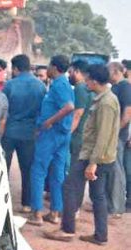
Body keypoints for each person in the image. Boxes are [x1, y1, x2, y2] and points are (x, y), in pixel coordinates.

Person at [44, 64, 120, 245]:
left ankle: (67, 230)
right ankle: (100, 235)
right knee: (97, 195)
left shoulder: (107, 103)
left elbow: (103, 136)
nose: (85, 82)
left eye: (87, 79)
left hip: (94, 157)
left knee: (69, 186)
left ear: (94, 81)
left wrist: (93, 163)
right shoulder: (103, 98)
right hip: (98, 156)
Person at [28, 55, 75, 225]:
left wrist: (49, 121)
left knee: (38, 171)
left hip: (51, 134)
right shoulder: (63, 84)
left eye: (48, 66)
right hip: (62, 135)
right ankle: (55, 212)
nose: (47, 69)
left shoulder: (60, 85)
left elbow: (69, 107)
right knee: (57, 174)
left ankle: (37, 213)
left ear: (54, 67)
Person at [1, 54, 47, 213]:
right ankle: (27, 204)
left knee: (3, 167)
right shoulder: (41, 86)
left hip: (10, 132)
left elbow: (3, 111)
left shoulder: (9, 85)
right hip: (30, 133)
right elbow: (43, 111)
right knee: (27, 169)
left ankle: (2, 202)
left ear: (15, 68)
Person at [67, 59, 94, 213]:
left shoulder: (80, 88)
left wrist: (67, 133)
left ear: (77, 72)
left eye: (70, 72)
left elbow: (77, 114)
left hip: (78, 137)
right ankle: (74, 206)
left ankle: (73, 208)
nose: (69, 75)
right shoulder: (89, 89)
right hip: (85, 136)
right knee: (79, 175)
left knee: (74, 174)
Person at [107, 62, 131, 216]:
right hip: (112, 135)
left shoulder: (125, 88)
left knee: (117, 171)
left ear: (115, 71)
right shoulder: (115, 87)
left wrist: (115, 132)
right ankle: (111, 205)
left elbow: (127, 113)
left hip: (117, 137)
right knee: (111, 171)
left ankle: (117, 207)